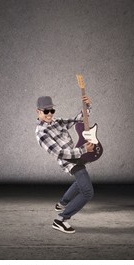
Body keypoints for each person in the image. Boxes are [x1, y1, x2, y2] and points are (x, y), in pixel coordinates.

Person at [35, 95, 94, 234]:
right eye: (46, 111)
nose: (50, 114)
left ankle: (61, 204)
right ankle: (60, 220)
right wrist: (84, 150)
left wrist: (87, 107)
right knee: (87, 192)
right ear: (38, 111)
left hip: (77, 156)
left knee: (80, 183)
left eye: (52, 111)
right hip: (69, 161)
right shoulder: (41, 133)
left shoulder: (56, 121)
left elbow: (77, 120)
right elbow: (60, 153)